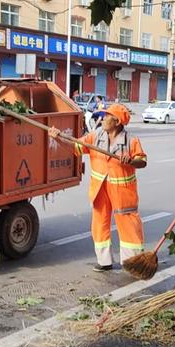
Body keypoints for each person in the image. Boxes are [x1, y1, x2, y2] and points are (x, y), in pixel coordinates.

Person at [49, 104, 147, 272]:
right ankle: (104, 261)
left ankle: (132, 263)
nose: (102, 119)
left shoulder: (131, 141)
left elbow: (142, 161)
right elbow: (76, 148)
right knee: (99, 225)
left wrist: (130, 160)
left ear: (116, 121)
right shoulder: (95, 137)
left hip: (123, 191)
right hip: (100, 189)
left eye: (106, 116)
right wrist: (58, 138)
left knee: (128, 225)